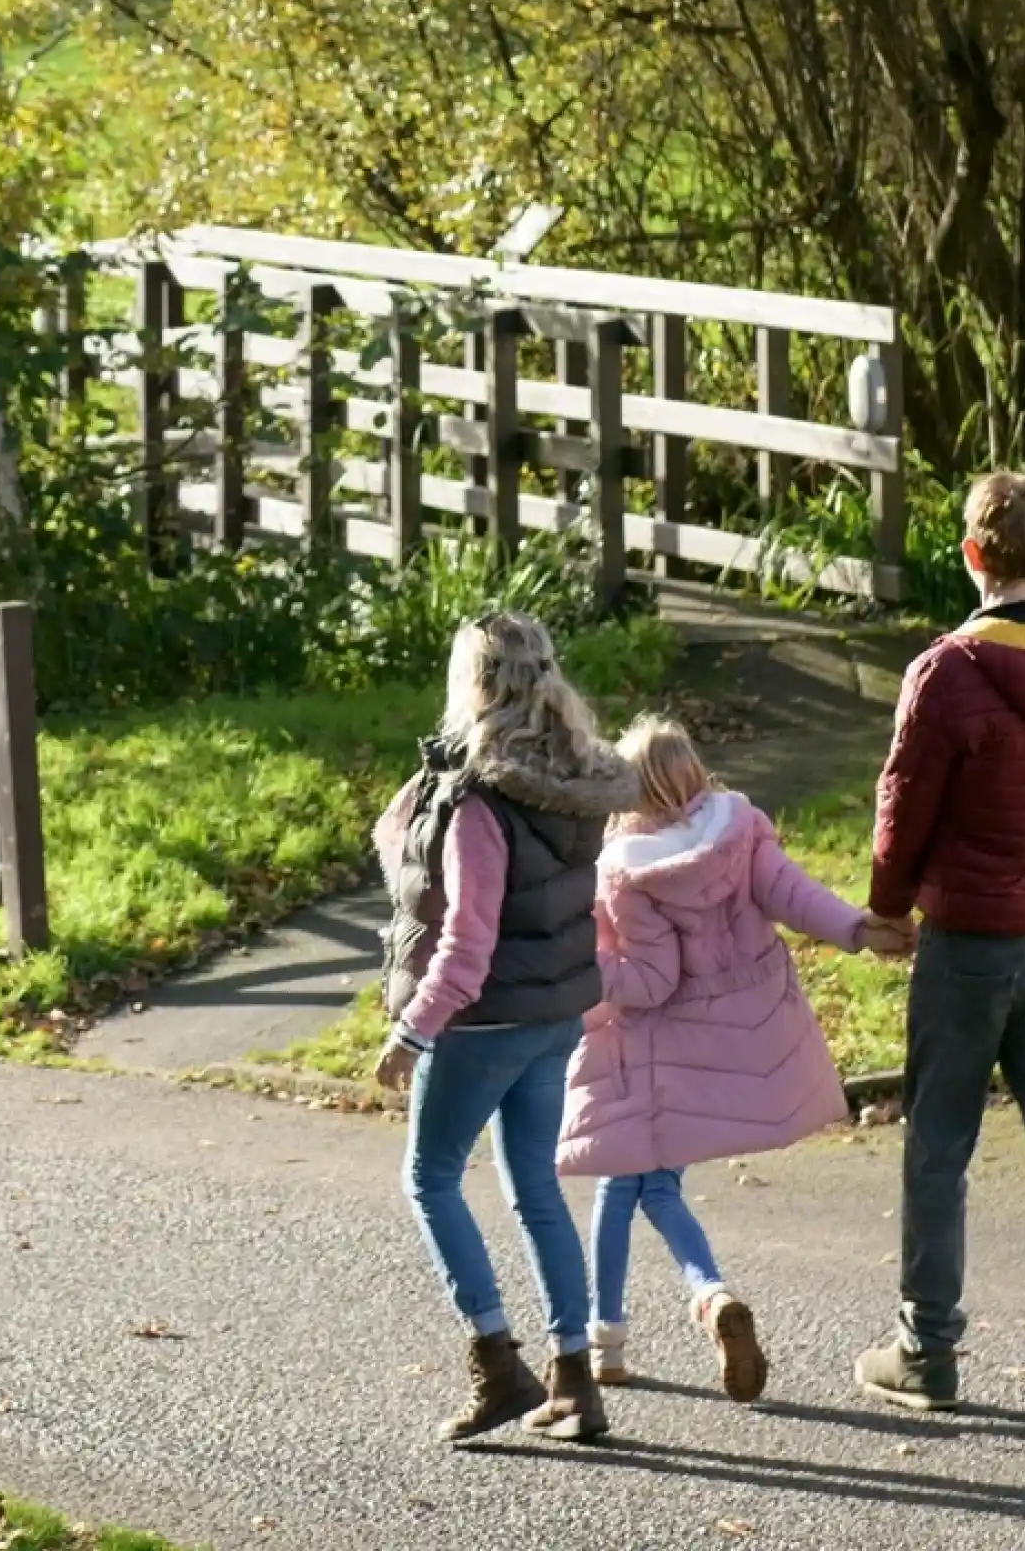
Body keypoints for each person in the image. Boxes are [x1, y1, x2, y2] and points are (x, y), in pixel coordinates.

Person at [853, 471, 1025, 1427]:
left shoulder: (946, 671)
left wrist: (890, 907)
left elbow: (904, 807)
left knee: (939, 1145)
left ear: (972, 554)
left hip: (970, 939)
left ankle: (927, 1349)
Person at [553, 715, 907, 1403]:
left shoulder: (629, 872)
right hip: (734, 1042)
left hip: (661, 1055)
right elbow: (793, 895)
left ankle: (613, 1339)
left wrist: (581, 971)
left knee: (621, 1186)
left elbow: (649, 982)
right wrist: (858, 929)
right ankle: (703, 1301)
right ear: (693, 773)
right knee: (655, 1188)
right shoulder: (740, 831)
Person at [373, 611, 640, 1444]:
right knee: (534, 1189)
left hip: (480, 1024)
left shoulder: (484, 803)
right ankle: (573, 1382)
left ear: (475, 687)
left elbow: (467, 943)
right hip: (553, 1012)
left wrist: (413, 1033)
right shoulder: (574, 783)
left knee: (430, 1179)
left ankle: (498, 1364)